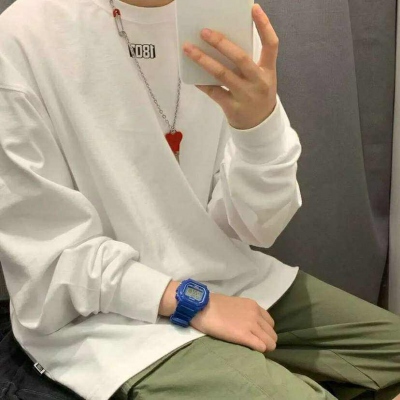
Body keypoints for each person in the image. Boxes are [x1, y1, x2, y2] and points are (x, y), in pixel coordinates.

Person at [0, 0, 399, 399]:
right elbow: (47, 260)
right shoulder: (25, 35)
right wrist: (195, 302)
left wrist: (258, 128)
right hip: (105, 323)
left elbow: (255, 225)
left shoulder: (219, 18)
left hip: (238, 284)